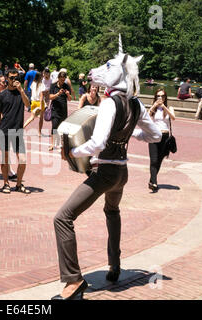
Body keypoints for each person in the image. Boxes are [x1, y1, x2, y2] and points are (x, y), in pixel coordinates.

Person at [52, 52, 162, 300]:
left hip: (105, 172)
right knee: (112, 212)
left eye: (109, 67)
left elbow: (97, 142)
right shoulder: (136, 103)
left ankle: (73, 281)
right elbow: (155, 135)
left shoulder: (111, 103)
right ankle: (115, 266)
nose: (100, 70)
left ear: (119, 73)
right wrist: (131, 134)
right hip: (122, 172)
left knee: (62, 218)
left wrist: (72, 152)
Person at [0, 68, 31, 194]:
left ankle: (19, 185)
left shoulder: (21, 93)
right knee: (5, 159)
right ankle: (6, 183)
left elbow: (28, 105)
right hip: (4, 130)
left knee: (23, 160)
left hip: (18, 131)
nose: (14, 80)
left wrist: (21, 90)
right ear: (7, 79)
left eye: (16, 77)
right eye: (11, 78)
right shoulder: (2, 95)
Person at [148, 89, 176, 192]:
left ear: (165, 97)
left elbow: (173, 118)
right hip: (154, 136)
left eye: (163, 96)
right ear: (155, 97)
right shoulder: (154, 108)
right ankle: (154, 183)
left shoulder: (169, 107)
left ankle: (152, 180)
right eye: (158, 96)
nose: (161, 98)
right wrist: (154, 105)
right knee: (153, 160)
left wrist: (164, 107)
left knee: (159, 160)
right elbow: (147, 115)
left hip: (165, 136)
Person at [49, 71, 71, 151]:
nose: (62, 81)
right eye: (61, 79)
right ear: (58, 78)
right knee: (54, 126)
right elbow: (50, 97)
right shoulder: (53, 86)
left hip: (63, 110)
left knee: (62, 128)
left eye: (63, 80)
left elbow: (70, 99)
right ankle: (52, 144)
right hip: (55, 109)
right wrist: (58, 93)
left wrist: (68, 94)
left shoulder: (66, 86)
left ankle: (62, 144)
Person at [23, 71, 46, 135]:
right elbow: (41, 96)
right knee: (41, 118)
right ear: (40, 77)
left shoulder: (33, 83)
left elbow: (32, 92)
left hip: (33, 102)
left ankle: (23, 127)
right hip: (39, 102)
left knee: (31, 117)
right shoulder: (42, 85)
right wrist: (41, 105)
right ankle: (39, 132)